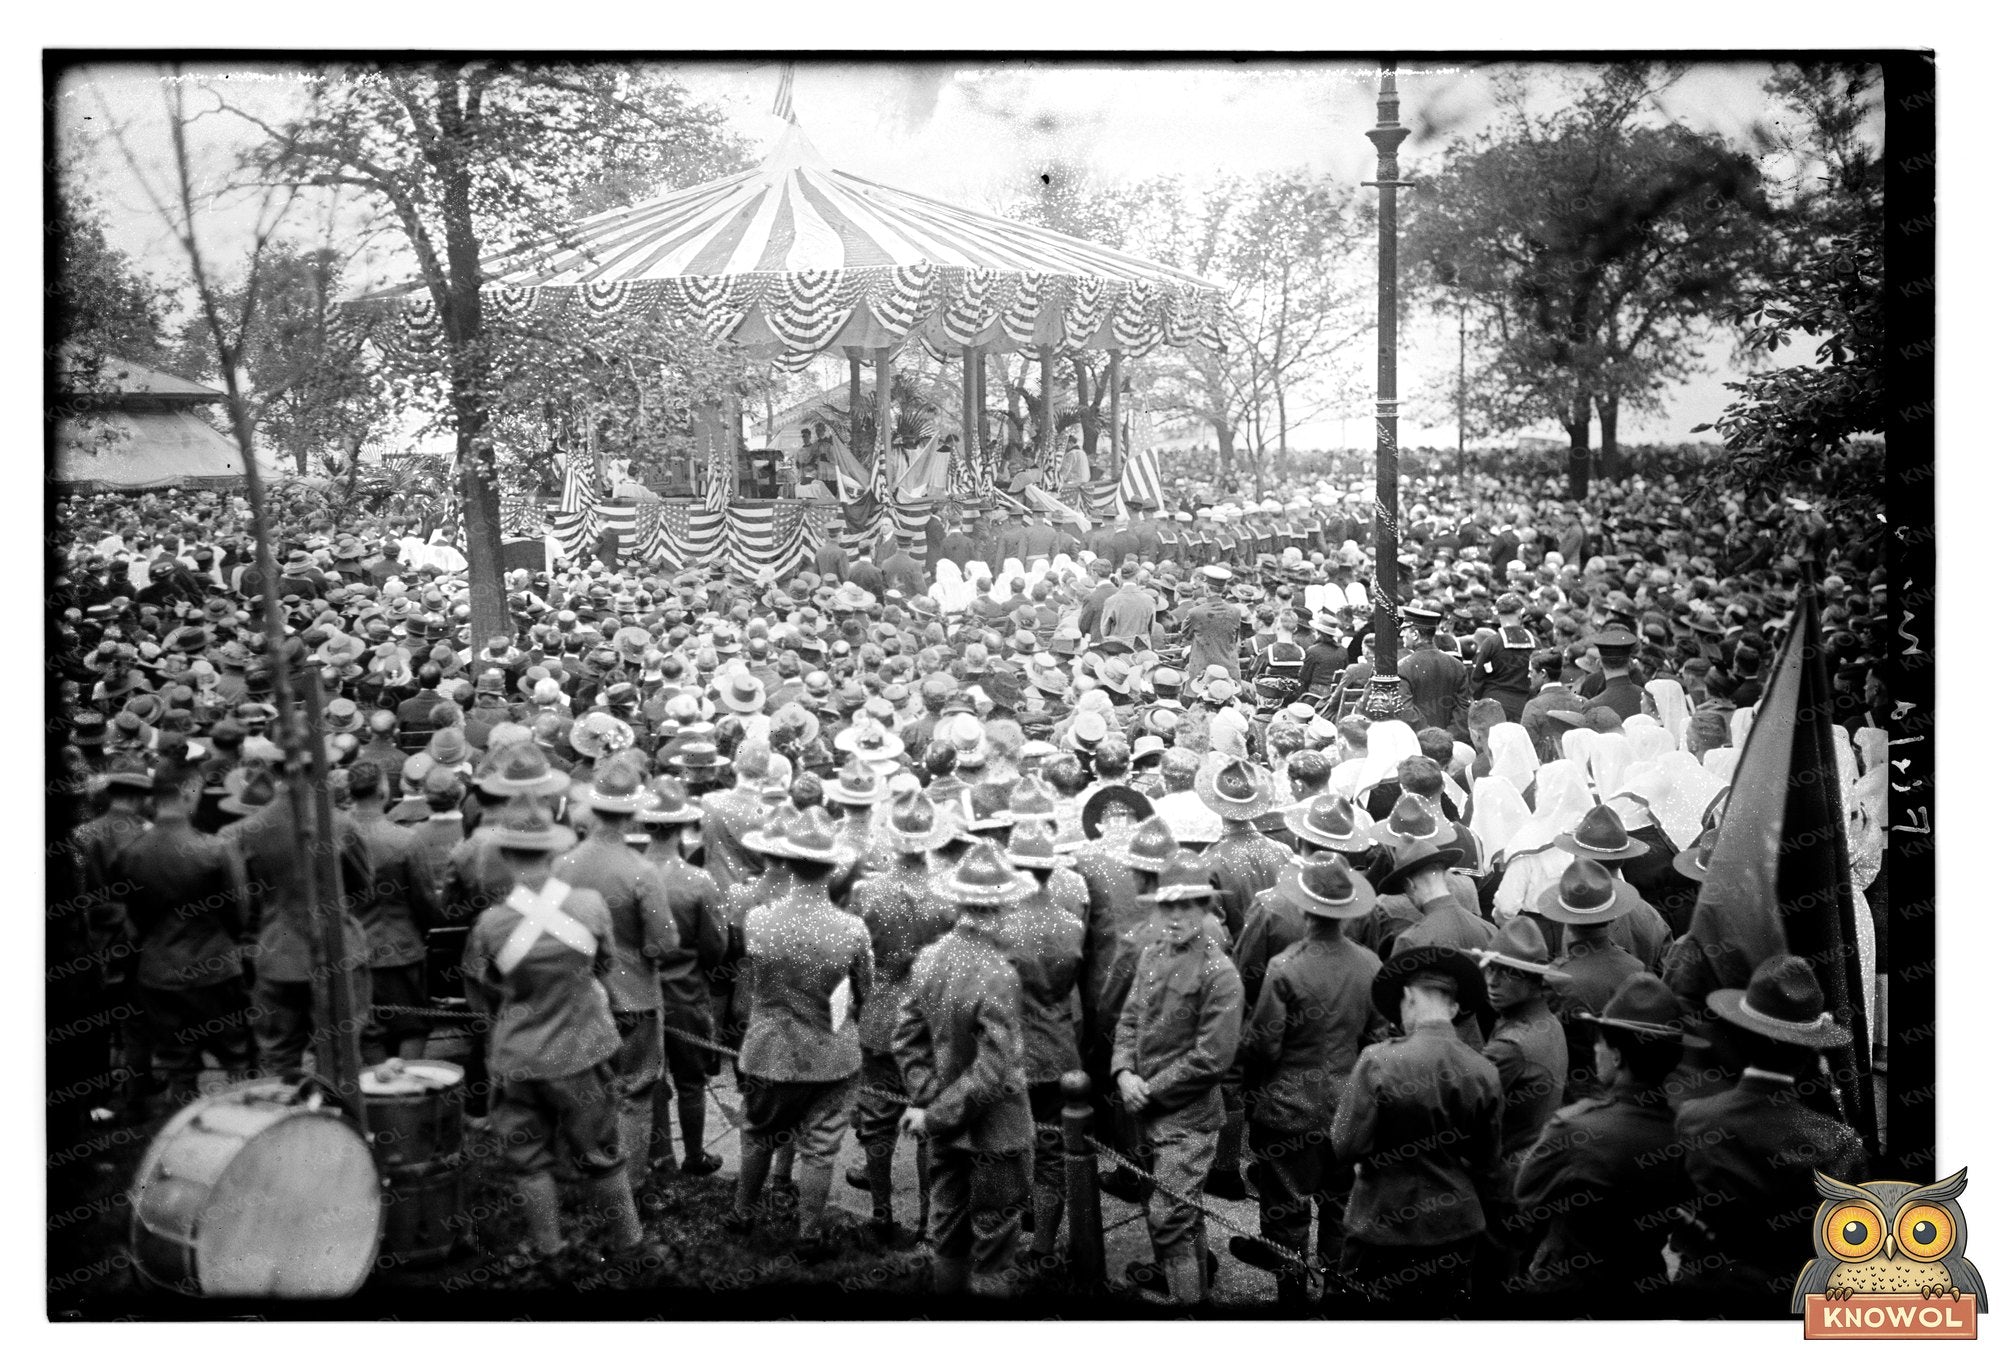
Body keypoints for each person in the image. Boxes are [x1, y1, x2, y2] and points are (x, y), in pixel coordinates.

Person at [461, 795, 652, 1269]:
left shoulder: (490, 924)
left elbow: (480, 994)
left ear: (504, 855)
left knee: (528, 1159)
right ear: (552, 851)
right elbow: (606, 965)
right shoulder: (588, 906)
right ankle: (630, 1244)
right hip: (582, 1050)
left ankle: (550, 1250)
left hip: (518, 1056)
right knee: (602, 1152)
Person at [1676, 954, 1870, 1307]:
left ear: (1742, 1036)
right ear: (1812, 1048)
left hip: (1703, 1295)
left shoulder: (1693, 1119)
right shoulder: (1838, 1142)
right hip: (1789, 1304)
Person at [1231, 856, 1383, 1305]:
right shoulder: (1370, 964)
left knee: (1284, 1210)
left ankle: (1292, 1297)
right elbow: (1376, 1039)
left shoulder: (1285, 966)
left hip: (1288, 1109)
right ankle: (1338, 1296)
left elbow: (1263, 1045)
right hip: (1349, 1110)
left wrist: (1252, 1088)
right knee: (1341, 1209)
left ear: (1306, 911)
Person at [727, 807, 873, 1254]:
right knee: (821, 1147)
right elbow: (863, 991)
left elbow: (749, 982)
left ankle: (742, 1214)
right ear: (832, 866)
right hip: (832, 1053)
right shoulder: (851, 929)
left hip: (770, 1049)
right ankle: (809, 1233)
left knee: (758, 1134)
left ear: (787, 863)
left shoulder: (759, 921)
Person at [895, 841, 1036, 1298]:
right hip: (997, 1128)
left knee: (947, 1226)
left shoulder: (930, 958)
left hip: (943, 1124)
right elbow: (995, 1070)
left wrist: (931, 1100)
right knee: (996, 1232)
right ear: (1000, 908)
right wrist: (940, 1111)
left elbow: (905, 1037)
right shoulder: (999, 973)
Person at [1329, 945, 1504, 1311]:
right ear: (1454, 1008)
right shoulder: (1484, 1070)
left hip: (1382, 1224)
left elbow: (1345, 1146)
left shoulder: (1378, 1060)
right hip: (1454, 1228)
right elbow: (1487, 1159)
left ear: (1407, 999)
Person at [1513, 972, 1700, 1305]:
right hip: (1645, 1287)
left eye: (1599, 1041)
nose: (1595, 1049)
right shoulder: (1688, 1131)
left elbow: (1525, 1205)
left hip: (1569, 1293)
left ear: (1616, 1055)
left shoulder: (1574, 1129)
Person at [1113, 855, 1245, 1306]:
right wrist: (1124, 1072)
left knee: (1167, 1216)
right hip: (1145, 1109)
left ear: (1206, 907)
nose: (1174, 917)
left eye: (1187, 907)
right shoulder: (1152, 954)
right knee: (1181, 1212)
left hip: (1187, 1118)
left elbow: (1212, 1059)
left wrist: (1149, 1089)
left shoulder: (1221, 975)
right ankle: (1194, 1285)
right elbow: (1129, 1018)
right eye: (1167, 907)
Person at [106, 758, 253, 1109]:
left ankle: (184, 1138)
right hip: (215, 967)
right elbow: (240, 913)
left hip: (159, 971)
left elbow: (132, 916)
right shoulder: (216, 849)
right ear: (189, 792)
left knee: (179, 1065)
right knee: (236, 1058)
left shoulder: (131, 853)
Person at [847, 789, 957, 1242]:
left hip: (880, 1012)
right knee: (927, 1115)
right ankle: (931, 1222)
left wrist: (858, 999)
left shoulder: (866, 893)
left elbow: (856, 961)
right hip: (929, 1019)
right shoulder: (948, 895)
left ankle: (880, 1214)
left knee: (875, 1118)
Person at [1001, 821, 1088, 1268]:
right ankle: (1043, 1246)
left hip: (1012, 1046)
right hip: (1058, 1043)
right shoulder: (1071, 923)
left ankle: (1009, 1235)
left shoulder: (999, 923)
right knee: (1054, 1151)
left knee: (1009, 1145)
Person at [636, 776, 728, 1178]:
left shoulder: (629, 875)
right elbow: (716, 949)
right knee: (690, 1081)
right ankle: (694, 1155)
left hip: (638, 992)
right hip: (686, 994)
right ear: (681, 826)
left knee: (649, 1081)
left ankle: (660, 1157)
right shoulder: (698, 881)